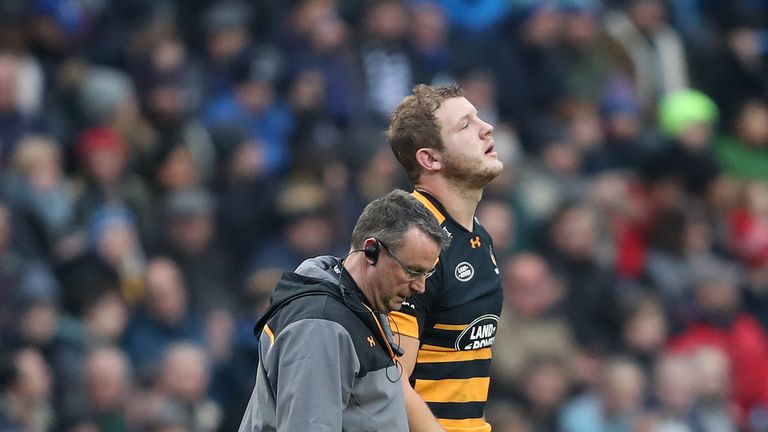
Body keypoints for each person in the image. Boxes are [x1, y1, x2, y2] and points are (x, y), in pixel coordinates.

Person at [238, 189, 449, 431]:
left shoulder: (357, 305)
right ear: (372, 251)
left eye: (427, 273)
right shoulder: (320, 325)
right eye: (412, 271)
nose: (421, 287)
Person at [387, 83, 504, 432]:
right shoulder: (413, 239)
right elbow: (390, 380)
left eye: (478, 117)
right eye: (465, 125)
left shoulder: (477, 235)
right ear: (430, 158)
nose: (487, 127)